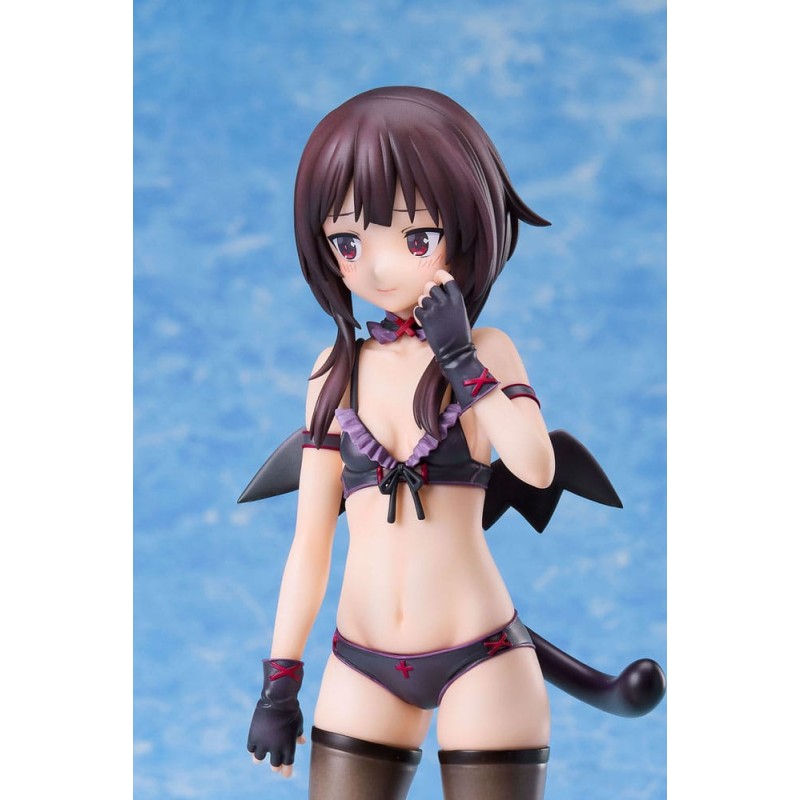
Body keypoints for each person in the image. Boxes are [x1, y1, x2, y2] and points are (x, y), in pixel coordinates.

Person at [247, 86, 579, 800]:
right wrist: (280, 678)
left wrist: (462, 362)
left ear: (467, 225)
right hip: (359, 660)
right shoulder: (334, 373)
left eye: (416, 238)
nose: (380, 268)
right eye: (348, 243)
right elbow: (309, 543)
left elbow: (536, 466)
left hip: (480, 656)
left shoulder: (489, 350)